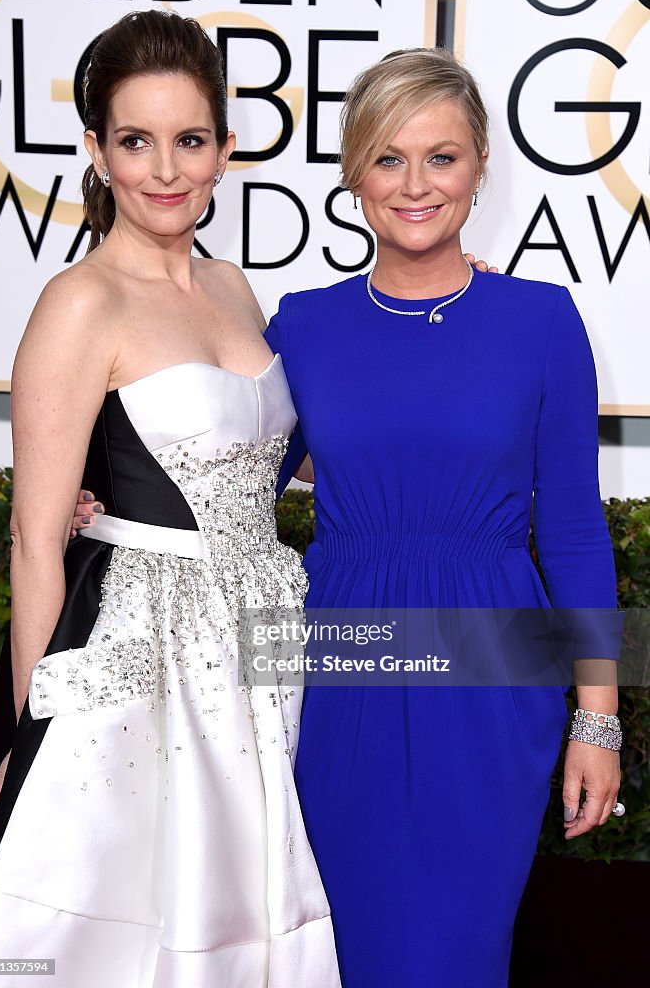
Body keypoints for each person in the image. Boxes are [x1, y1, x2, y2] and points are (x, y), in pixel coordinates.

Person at [0, 10, 340, 987]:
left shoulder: (232, 287)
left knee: (245, 906)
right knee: (131, 914)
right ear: (96, 151)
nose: (165, 170)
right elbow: (37, 540)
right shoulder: (79, 302)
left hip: (260, 639)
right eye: (135, 141)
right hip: (142, 644)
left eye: (189, 140)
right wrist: (34, 734)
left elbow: (269, 459)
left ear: (225, 148)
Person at [261, 50, 622, 985]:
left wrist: (598, 718)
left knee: (455, 953)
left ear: (480, 168)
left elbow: (574, 530)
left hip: (494, 678)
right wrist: (107, 501)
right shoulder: (302, 326)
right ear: (352, 171)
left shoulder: (542, 321)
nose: (415, 185)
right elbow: (229, 495)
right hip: (338, 670)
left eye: (442, 158)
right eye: (388, 158)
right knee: (338, 946)